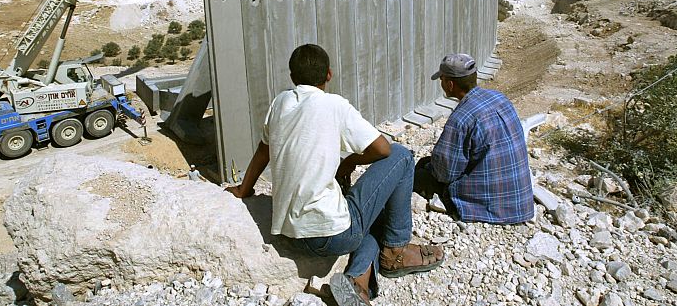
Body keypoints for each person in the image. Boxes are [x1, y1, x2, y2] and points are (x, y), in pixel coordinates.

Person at [227, 44, 443, 306]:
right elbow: (383, 149)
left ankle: (358, 284)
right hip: (331, 234)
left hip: (290, 232)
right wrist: (351, 160)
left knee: (371, 221)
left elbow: (263, 152)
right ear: (329, 74)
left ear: (292, 77)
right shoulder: (334, 105)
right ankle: (396, 249)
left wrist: (243, 190)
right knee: (403, 156)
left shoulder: (280, 103)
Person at [414, 53, 534, 224]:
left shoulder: (461, 118)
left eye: (442, 79)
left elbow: (445, 173)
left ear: (450, 84)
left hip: (490, 207)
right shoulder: (500, 98)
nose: (441, 83)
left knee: (419, 173)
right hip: (521, 202)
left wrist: (428, 166)